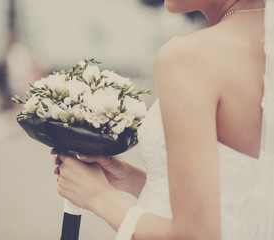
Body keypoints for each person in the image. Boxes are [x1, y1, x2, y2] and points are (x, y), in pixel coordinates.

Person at [52, 0, 267, 239]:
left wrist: (98, 196)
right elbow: (243, 201)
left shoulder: (189, 57)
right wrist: (133, 179)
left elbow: (195, 235)